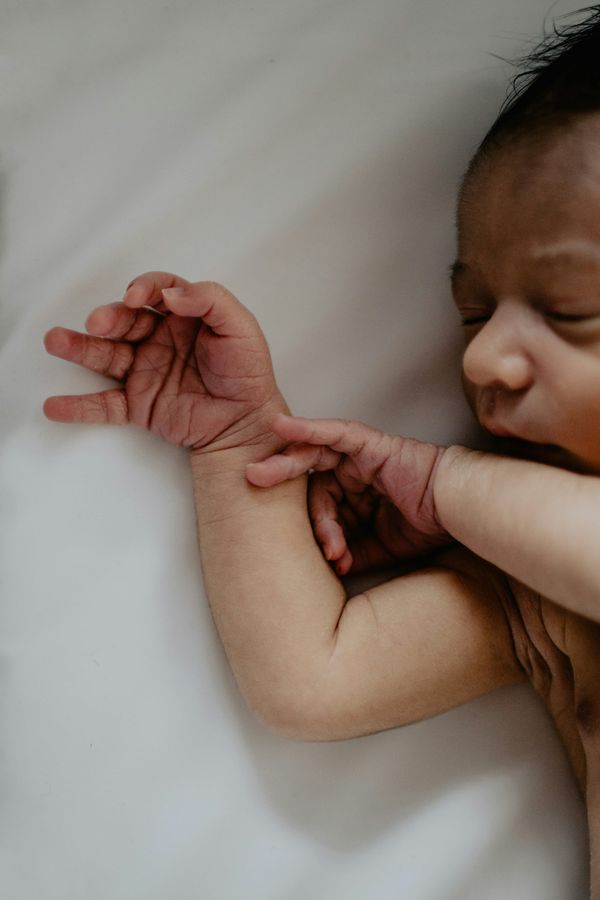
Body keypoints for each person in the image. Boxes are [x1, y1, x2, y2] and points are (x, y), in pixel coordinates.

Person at [42, 5, 600, 894]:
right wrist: (237, 444)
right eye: (474, 312)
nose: (484, 356)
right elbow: (317, 679)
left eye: (571, 309)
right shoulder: (536, 588)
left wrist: (449, 481)